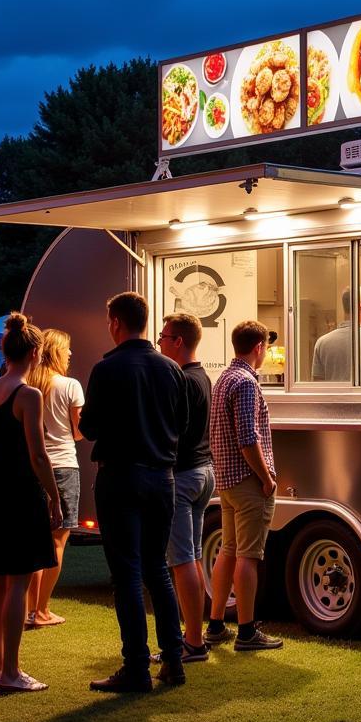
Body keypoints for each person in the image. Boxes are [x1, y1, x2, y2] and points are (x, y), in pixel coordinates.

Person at [79, 292, 188, 692]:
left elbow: (89, 428)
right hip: (162, 478)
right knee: (158, 569)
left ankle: (136, 667)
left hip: (120, 477)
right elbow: (183, 423)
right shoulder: (171, 369)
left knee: (126, 575)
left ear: (115, 323)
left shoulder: (107, 369)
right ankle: (174, 661)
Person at [0, 314, 63, 694]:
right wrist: (55, 498)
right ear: (34, 352)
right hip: (21, 491)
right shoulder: (28, 395)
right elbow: (38, 455)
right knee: (18, 584)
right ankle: (10, 671)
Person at [204, 320, 282, 652]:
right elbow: (248, 438)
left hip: (226, 481)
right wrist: (266, 478)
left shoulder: (223, 378)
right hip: (248, 482)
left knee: (229, 550)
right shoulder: (248, 383)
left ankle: (216, 623)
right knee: (249, 556)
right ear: (259, 347)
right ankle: (247, 630)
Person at [156, 311, 215, 664]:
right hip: (203, 471)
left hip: (184, 475)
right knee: (190, 556)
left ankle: (192, 640)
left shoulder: (181, 379)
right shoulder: (202, 376)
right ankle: (192, 635)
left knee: (183, 561)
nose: (159, 342)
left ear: (178, 341)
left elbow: (173, 432)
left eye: (163, 337)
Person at [25, 328, 84, 628]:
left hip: (32, 467)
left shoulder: (27, 383)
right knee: (57, 541)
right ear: (57, 352)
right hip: (63, 466)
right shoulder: (70, 385)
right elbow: (78, 432)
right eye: (68, 349)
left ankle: (27, 610)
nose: (71, 354)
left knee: (34, 542)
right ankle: (43, 610)